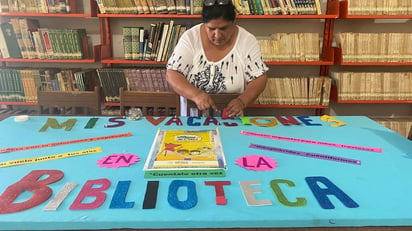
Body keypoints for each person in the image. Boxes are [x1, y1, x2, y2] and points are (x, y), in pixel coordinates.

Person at [166, 0, 268, 117]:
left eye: (224, 29)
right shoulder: (190, 38)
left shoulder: (247, 40)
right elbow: (172, 74)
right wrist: (196, 95)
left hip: (231, 118)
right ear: (204, 24)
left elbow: (259, 78)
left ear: (234, 21)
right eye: (211, 29)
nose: (218, 35)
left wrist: (242, 101)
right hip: (192, 118)